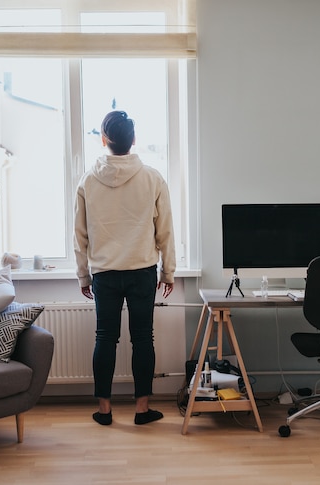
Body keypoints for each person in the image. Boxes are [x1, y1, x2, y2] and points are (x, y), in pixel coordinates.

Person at [73, 110, 176, 426]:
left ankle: (104, 410)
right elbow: (166, 231)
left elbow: (80, 234)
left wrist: (83, 274)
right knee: (143, 339)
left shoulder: (88, 181)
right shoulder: (152, 177)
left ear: (104, 140)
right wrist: (168, 271)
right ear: (133, 140)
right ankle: (142, 410)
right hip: (142, 269)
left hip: (104, 273)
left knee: (105, 338)